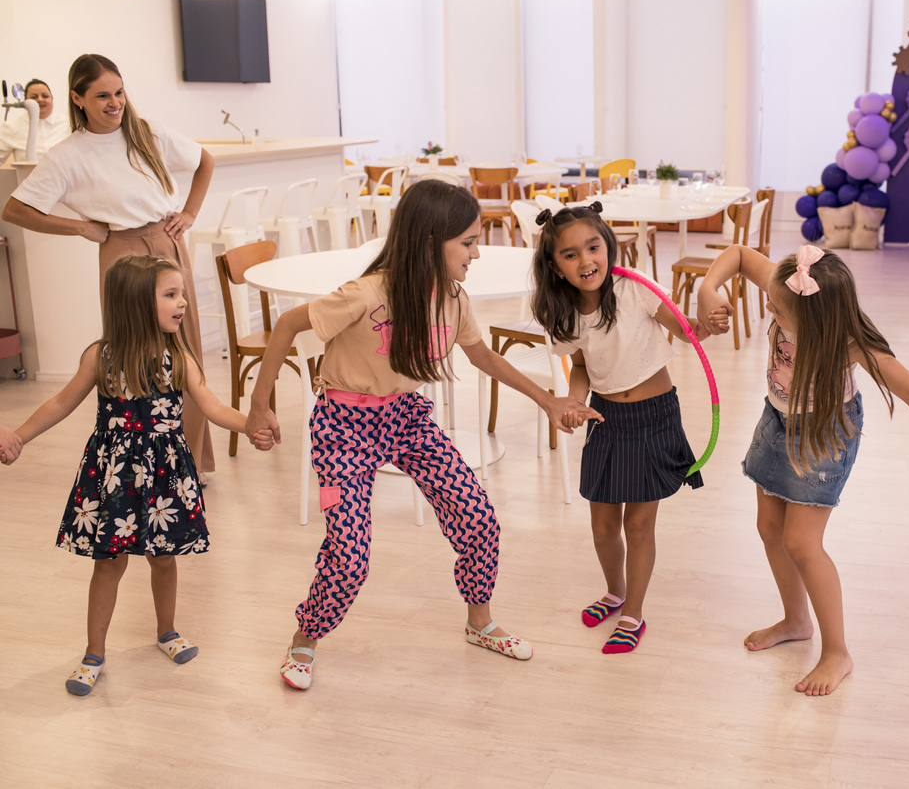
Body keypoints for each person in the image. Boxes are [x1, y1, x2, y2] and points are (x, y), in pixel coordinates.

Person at [246, 180, 599, 690]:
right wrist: (261, 406)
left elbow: (483, 357)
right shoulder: (366, 294)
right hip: (344, 426)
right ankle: (306, 635)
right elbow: (285, 326)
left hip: (407, 417)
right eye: (469, 242)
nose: (476, 253)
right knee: (349, 555)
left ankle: (480, 624)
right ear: (431, 241)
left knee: (477, 519)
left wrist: (548, 400)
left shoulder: (452, 297)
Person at [698, 244, 909, 695]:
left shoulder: (852, 345)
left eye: (776, 311)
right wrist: (708, 287)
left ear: (818, 322)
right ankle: (795, 620)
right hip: (776, 419)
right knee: (769, 528)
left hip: (824, 434)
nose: (770, 309)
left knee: (802, 544)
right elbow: (738, 254)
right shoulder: (789, 286)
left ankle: (837, 652)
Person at [0, 255, 273, 696]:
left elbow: (214, 407)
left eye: (180, 293)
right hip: (115, 474)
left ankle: (166, 631)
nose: (183, 302)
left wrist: (251, 425)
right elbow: (59, 404)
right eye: (171, 295)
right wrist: (18, 436)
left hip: (166, 476)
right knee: (108, 563)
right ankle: (93, 653)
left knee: (164, 557)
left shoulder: (179, 356)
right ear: (135, 303)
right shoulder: (101, 356)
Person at [1, 54, 217, 474]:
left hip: (168, 243)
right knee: (135, 357)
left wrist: (189, 213)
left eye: (119, 92)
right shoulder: (67, 155)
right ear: (77, 98)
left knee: (183, 352)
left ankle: (187, 463)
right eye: (102, 95)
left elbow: (205, 160)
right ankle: (146, 461)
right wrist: (80, 227)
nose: (114, 102)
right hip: (121, 255)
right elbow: (16, 209)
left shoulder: (147, 133)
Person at [530, 202, 724, 655]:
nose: (586, 261)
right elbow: (579, 365)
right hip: (606, 419)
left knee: (638, 525)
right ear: (555, 266)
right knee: (602, 526)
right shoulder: (561, 313)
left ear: (608, 246)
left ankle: (633, 611)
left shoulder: (637, 290)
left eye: (593, 247)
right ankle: (615, 592)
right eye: (570, 254)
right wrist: (575, 400)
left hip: (654, 418)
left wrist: (709, 325)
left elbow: (688, 331)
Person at [0, 78, 70, 164]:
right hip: (26, 176)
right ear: (25, 101)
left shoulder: (67, 124)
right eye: (34, 97)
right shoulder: (11, 126)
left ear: (52, 98)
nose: (40, 99)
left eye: (45, 96)